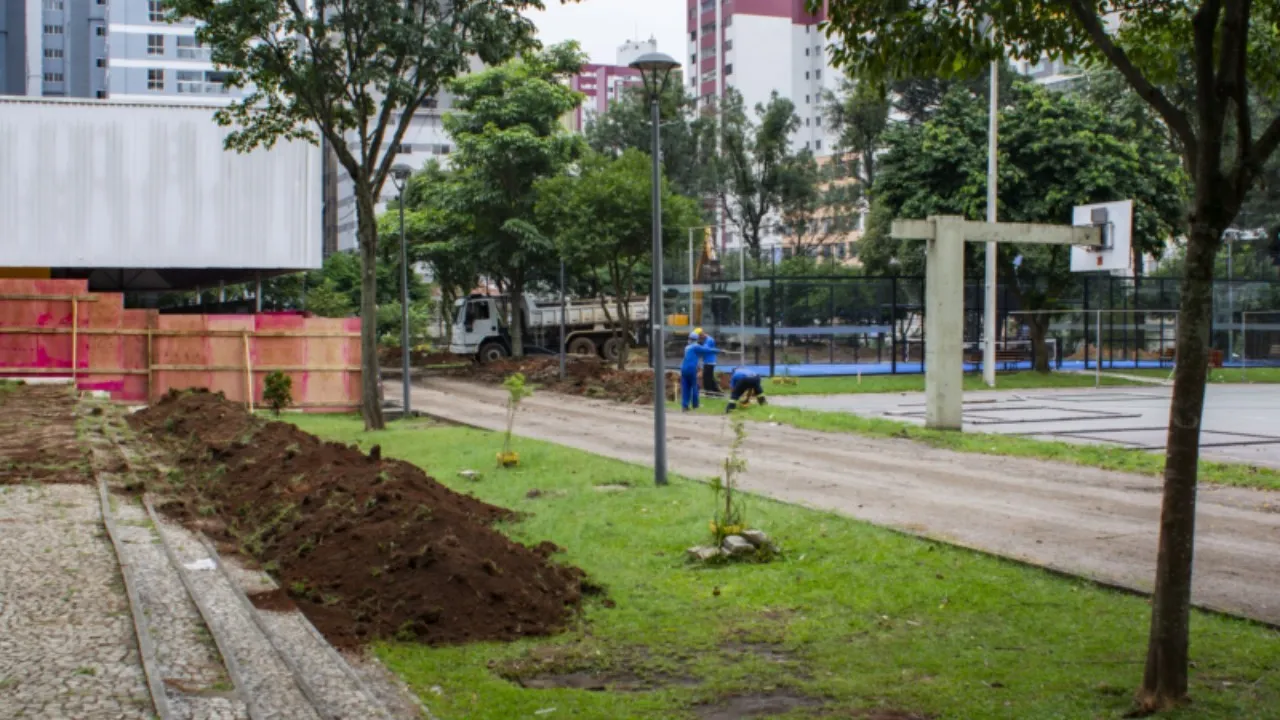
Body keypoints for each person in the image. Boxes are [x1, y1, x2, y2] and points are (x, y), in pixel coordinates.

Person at [680, 332, 716, 412]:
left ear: (689, 339)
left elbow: (694, 356)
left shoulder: (687, 347)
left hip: (683, 369)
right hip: (691, 369)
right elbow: (707, 350)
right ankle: (695, 405)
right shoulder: (695, 346)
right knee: (694, 386)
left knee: (685, 387)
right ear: (696, 339)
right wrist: (717, 350)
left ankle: (684, 406)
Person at [699, 328, 720, 393]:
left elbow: (705, 349)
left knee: (707, 377)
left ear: (702, 334)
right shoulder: (706, 340)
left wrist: (699, 348)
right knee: (709, 377)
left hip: (710, 361)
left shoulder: (709, 340)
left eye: (700, 336)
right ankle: (716, 390)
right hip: (707, 361)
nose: (700, 338)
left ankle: (709, 391)